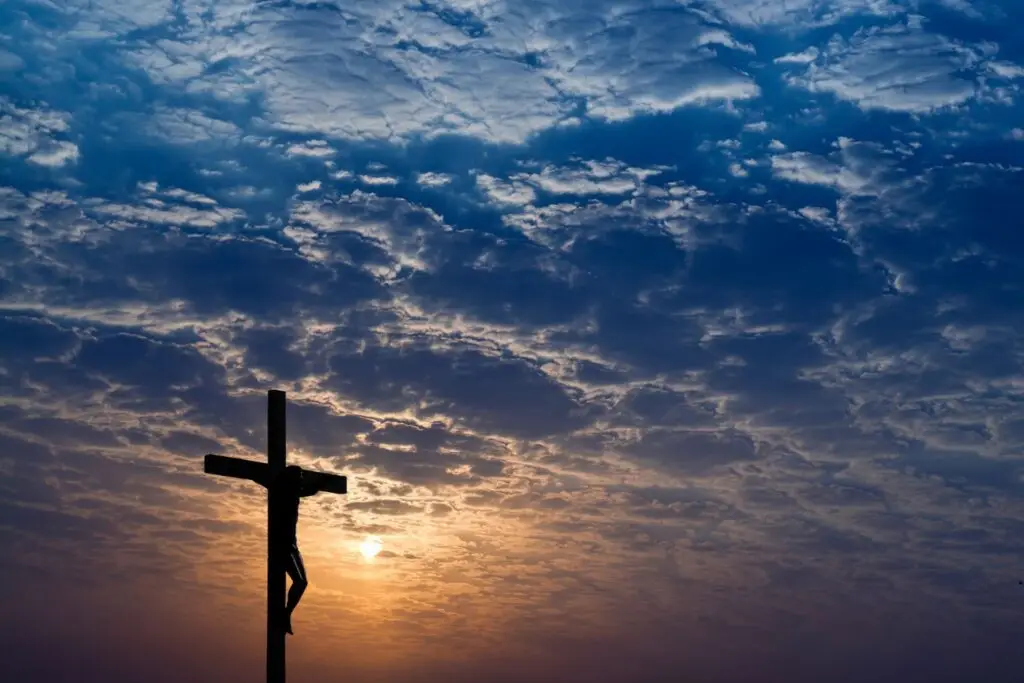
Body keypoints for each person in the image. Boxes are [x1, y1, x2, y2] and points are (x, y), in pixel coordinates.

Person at [274, 465, 320, 635]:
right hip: (282, 544)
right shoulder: (282, 492)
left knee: (303, 582)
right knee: (300, 582)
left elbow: (311, 490)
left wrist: (320, 483)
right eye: (299, 475)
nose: (302, 478)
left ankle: (286, 614)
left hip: (292, 545)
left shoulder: (294, 493)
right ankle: (284, 615)